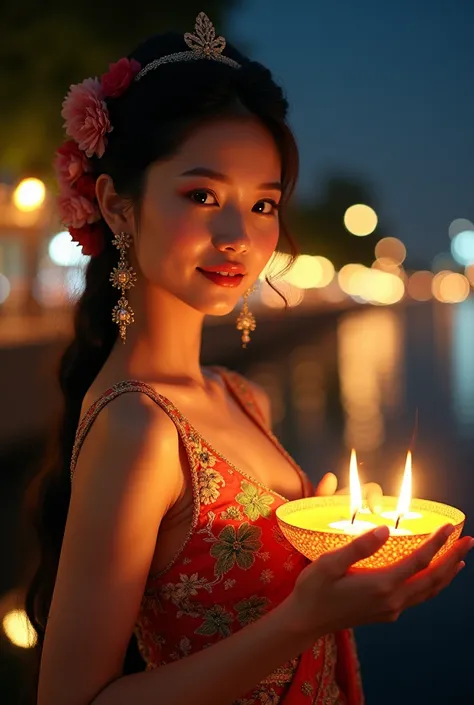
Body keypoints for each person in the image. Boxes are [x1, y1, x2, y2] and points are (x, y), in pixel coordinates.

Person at [25, 12, 473, 705]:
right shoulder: (140, 426)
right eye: (203, 195)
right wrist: (307, 617)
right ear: (116, 204)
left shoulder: (236, 393)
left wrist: (332, 537)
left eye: (263, 203)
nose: (240, 235)